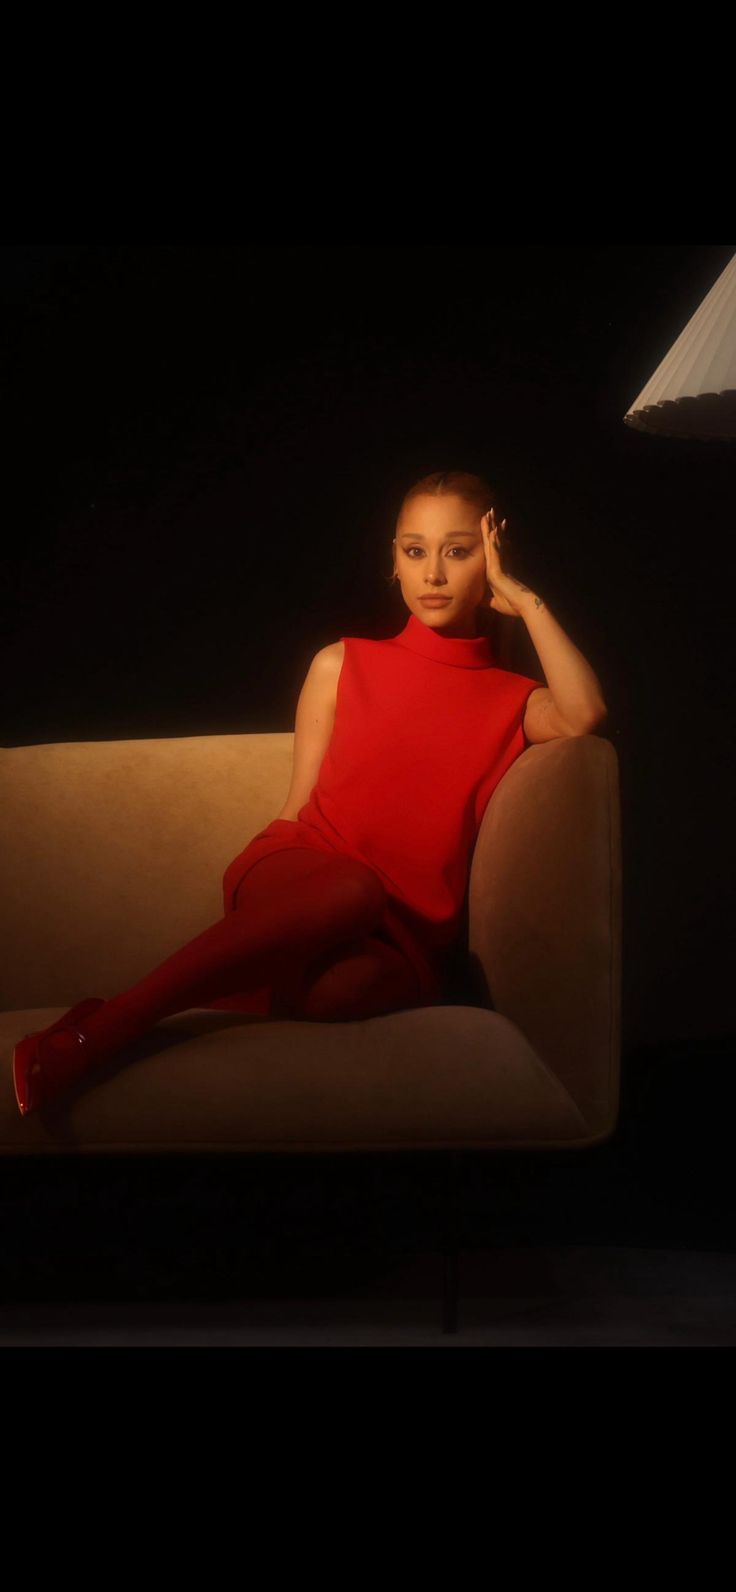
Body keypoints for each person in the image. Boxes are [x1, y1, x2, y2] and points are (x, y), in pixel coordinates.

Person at [12, 469, 608, 1116]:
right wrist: (304, 896)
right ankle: (100, 1030)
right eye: (415, 551)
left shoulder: (512, 698)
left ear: (490, 560)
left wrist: (525, 600)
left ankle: (238, 979)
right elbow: (297, 811)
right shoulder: (341, 662)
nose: (433, 573)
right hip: (304, 875)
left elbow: (584, 715)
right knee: (349, 888)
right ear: (395, 562)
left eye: (457, 551)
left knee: (341, 993)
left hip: (399, 935)